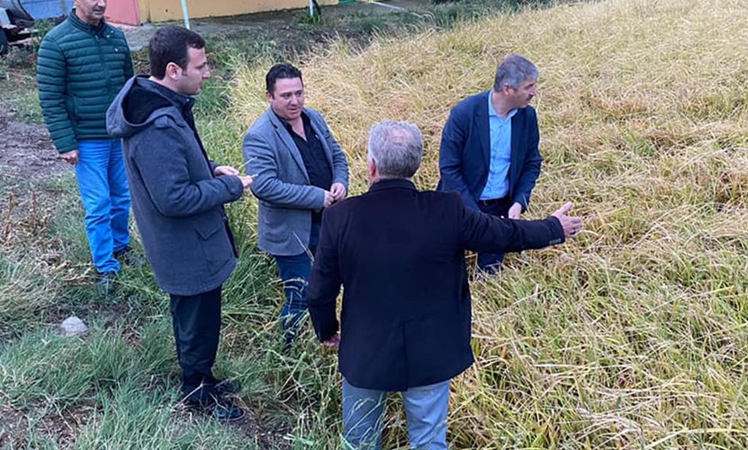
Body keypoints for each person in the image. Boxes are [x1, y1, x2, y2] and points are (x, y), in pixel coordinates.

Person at [308, 120, 582, 449]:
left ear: (371, 165)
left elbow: (320, 291)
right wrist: (554, 227)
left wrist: (327, 330)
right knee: (429, 442)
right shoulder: (447, 209)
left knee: (360, 442)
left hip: (365, 352)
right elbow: (504, 234)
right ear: (416, 164)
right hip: (432, 352)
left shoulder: (341, 217)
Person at [107, 26, 252, 422]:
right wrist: (228, 186)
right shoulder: (156, 124)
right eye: (201, 66)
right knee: (196, 321)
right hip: (186, 246)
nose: (207, 74)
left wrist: (208, 170)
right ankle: (198, 394)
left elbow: (176, 171)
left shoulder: (163, 103)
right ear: (173, 70)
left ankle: (202, 377)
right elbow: (172, 198)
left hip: (190, 242)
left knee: (199, 318)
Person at [37, 0, 135, 293]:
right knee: (99, 204)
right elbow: (50, 99)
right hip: (87, 139)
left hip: (119, 136)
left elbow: (128, 90)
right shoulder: (56, 42)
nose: (101, 3)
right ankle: (106, 267)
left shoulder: (116, 37)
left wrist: (134, 129)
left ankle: (122, 247)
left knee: (123, 197)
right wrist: (66, 143)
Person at [242, 63, 349, 348]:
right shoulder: (259, 135)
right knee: (301, 294)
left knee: (330, 287)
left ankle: (323, 340)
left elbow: (338, 157)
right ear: (269, 96)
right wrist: (316, 196)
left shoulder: (313, 118)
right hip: (292, 234)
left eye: (299, 93)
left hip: (329, 223)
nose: (295, 101)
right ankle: (289, 350)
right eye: (287, 95)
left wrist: (340, 182)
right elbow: (263, 186)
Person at [438, 54, 543, 274]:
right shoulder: (463, 114)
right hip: (460, 206)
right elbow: (449, 168)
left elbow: (532, 163)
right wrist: (473, 214)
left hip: (500, 211)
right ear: (507, 89)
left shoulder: (527, 117)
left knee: (490, 276)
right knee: (443, 271)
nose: (534, 92)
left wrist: (518, 202)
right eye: (529, 87)